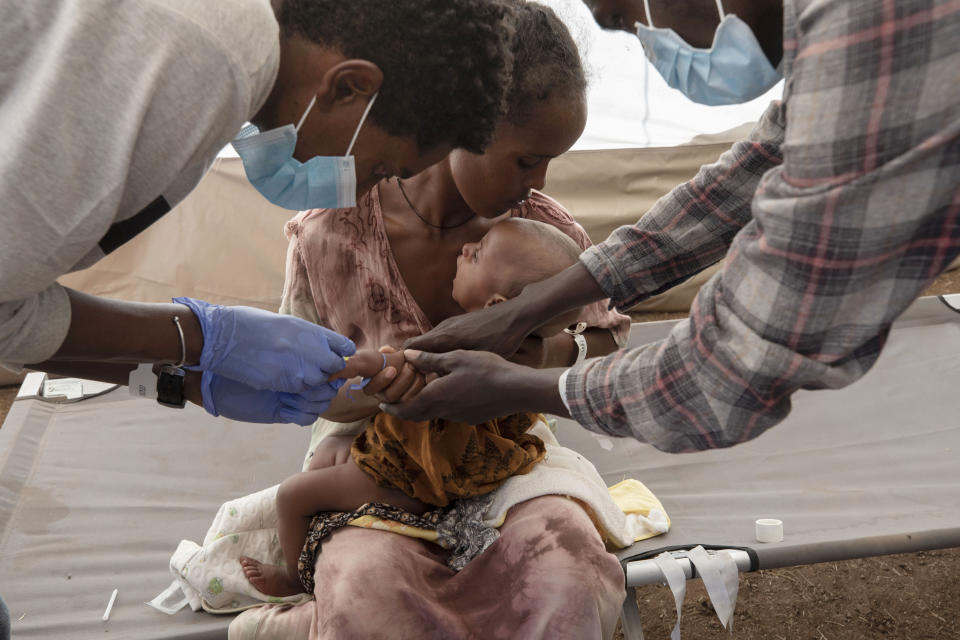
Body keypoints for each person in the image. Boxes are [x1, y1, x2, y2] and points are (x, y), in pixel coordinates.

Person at [384, 0, 960, 453]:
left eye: (625, 20)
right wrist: (524, 312)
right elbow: (755, 171)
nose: (647, 44)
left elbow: (729, 370)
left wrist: (518, 386)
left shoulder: (876, 32)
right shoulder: (845, 30)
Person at [240, 4, 631, 636]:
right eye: (526, 159)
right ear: (466, 127)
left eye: (551, 161)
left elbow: (606, 347)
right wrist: (370, 392)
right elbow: (314, 392)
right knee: (367, 594)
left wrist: (540, 357)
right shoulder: (332, 235)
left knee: (569, 574)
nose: (538, 182)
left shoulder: (545, 237)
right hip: (374, 461)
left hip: (502, 459)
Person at [0, 0, 514, 427]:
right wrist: (204, 336)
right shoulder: (206, 58)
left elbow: (14, 308)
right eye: (379, 168)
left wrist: (187, 377)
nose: (357, 193)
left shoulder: (227, 48)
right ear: (347, 86)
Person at [240, 219, 587, 598]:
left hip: (414, 473)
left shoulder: (471, 346)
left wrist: (366, 365)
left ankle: (297, 578)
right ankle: (338, 501)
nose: (466, 247)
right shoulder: (510, 353)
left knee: (292, 496)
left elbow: (410, 368)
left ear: (496, 305)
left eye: (479, 252)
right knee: (329, 450)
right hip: (419, 453)